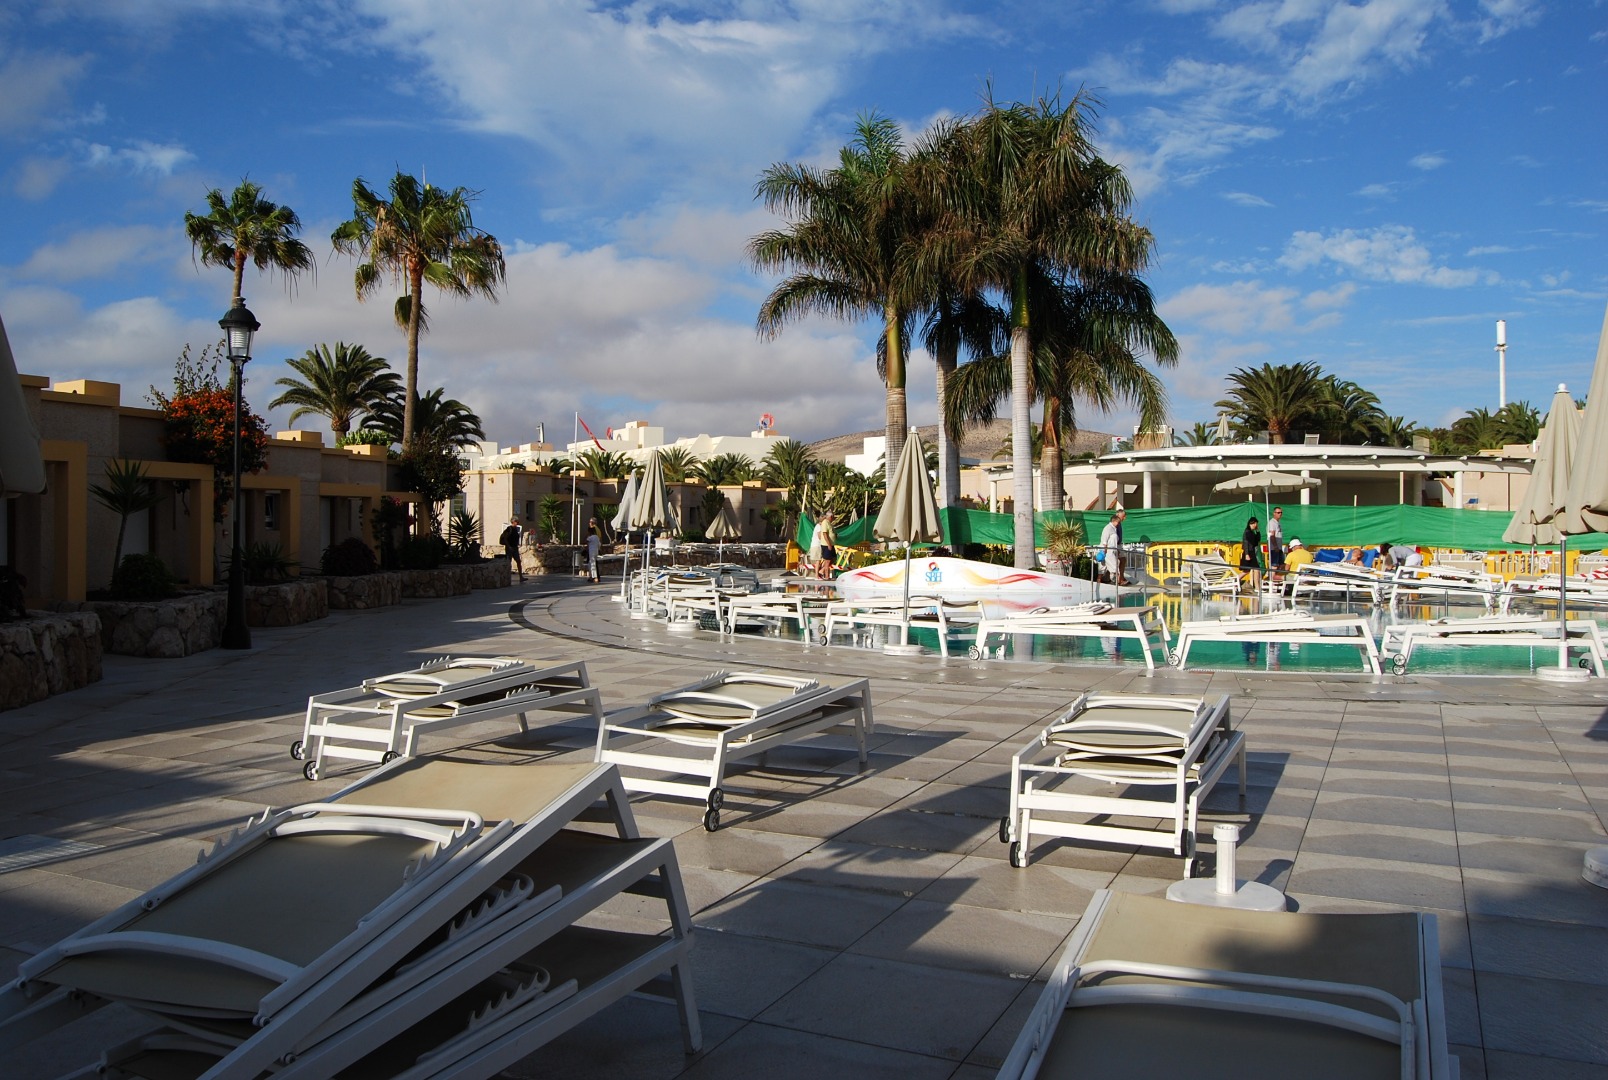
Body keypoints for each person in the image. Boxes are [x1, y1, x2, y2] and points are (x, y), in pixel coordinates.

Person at [1099, 506, 1128, 585]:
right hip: (1111, 548)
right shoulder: (1110, 527)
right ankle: (1119, 579)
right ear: (1118, 516)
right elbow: (1106, 538)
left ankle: (1119, 578)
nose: (1124, 518)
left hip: (1116, 546)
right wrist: (1105, 548)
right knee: (1113, 563)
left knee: (1120, 561)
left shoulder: (1116, 526)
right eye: (1123, 516)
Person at [1239, 516, 1262, 592]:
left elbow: (1257, 540)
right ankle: (1257, 587)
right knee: (1252, 569)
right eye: (1254, 524)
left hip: (1251, 552)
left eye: (1256, 524)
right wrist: (1247, 554)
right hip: (1249, 552)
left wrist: (1258, 531)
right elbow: (1246, 543)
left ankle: (1257, 587)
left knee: (1248, 570)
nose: (1255, 525)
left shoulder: (1252, 532)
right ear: (1250, 524)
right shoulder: (1247, 532)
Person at [812, 512, 838, 579]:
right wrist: (829, 544)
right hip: (825, 544)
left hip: (830, 544)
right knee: (826, 561)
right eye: (833, 517)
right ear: (830, 517)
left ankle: (821, 571)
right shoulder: (824, 523)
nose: (833, 518)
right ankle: (825, 576)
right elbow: (824, 534)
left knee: (833, 558)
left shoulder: (829, 523)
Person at [499, 517, 524, 583]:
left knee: (518, 561)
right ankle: (507, 578)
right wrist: (509, 546)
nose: (518, 522)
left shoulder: (516, 529)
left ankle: (521, 577)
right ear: (513, 522)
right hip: (510, 548)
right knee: (508, 562)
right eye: (516, 521)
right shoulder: (509, 529)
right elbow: (505, 538)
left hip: (515, 547)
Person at [586, 517, 601, 583]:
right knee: (593, 563)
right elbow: (599, 541)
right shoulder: (598, 530)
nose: (589, 523)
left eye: (590, 522)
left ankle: (594, 577)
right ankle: (593, 576)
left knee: (592, 564)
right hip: (596, 550)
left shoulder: (594, 530)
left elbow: (586, 541)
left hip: (591, 551)